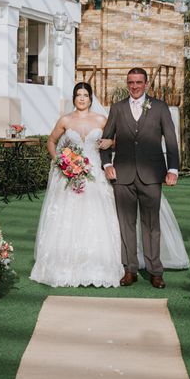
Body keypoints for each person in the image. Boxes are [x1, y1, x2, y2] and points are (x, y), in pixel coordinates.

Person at [30, 82, 124, 287]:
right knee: (67, 217)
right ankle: (63, 266)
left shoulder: (101, 119)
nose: (82, 98)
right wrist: (60, 162)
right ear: (73, 98)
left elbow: (116, 140)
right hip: (69, 175)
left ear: (91, 98)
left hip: (95, 175)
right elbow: (51, 142)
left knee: (96, 217)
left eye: (85, 95)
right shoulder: (65, 119)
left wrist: (111, 143)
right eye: (78, 95)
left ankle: (97, 266)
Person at [100, 68, 180, 289]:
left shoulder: (160, 107)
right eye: (131, 82)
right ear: (127, 84)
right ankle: (130, 270)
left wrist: (173, 168)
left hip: (152, 175)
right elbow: (105, 140)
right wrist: (107, 164)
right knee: (126, 224)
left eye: (138, 82)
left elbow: (171, 141)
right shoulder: (117, 108)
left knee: (151, 224)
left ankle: (155, 271)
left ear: (146, 84)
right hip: (122, 176)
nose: (134, 86)